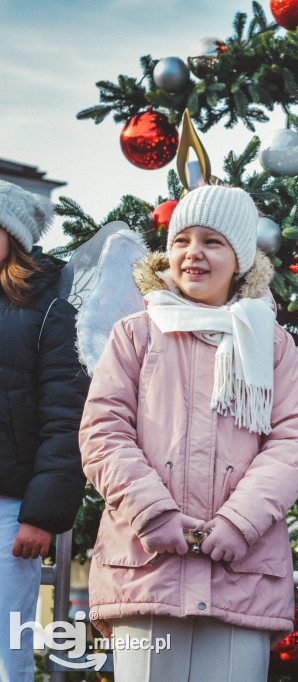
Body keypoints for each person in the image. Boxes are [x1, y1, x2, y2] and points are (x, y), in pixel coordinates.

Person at [79, 184, 298, 681]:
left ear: (240, 259)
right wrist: (152, 511)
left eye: (212, 241)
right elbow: (103, 431)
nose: (193, 254)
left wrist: (239, 522)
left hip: (240, 569)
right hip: (146, 566)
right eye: (182, 240)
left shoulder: (272, 345)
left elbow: (293, 443)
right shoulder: (136, 335)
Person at [0, 181, 89, 682]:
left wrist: (39, 516)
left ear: (13, 237)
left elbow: (66, 419)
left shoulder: (49, 310)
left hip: (10, 511)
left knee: (5, 650)